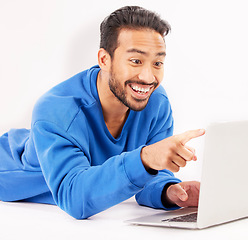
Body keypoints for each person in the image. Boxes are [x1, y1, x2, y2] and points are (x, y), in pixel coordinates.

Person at [0, 6, 204, 219]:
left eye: (157, 63)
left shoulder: (155, 102)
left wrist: (169, 192)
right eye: (136, 61)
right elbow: (74, 197)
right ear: (104, 60)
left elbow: (152, 175)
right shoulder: (56, 111)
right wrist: (145, 158)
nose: (148, 77)